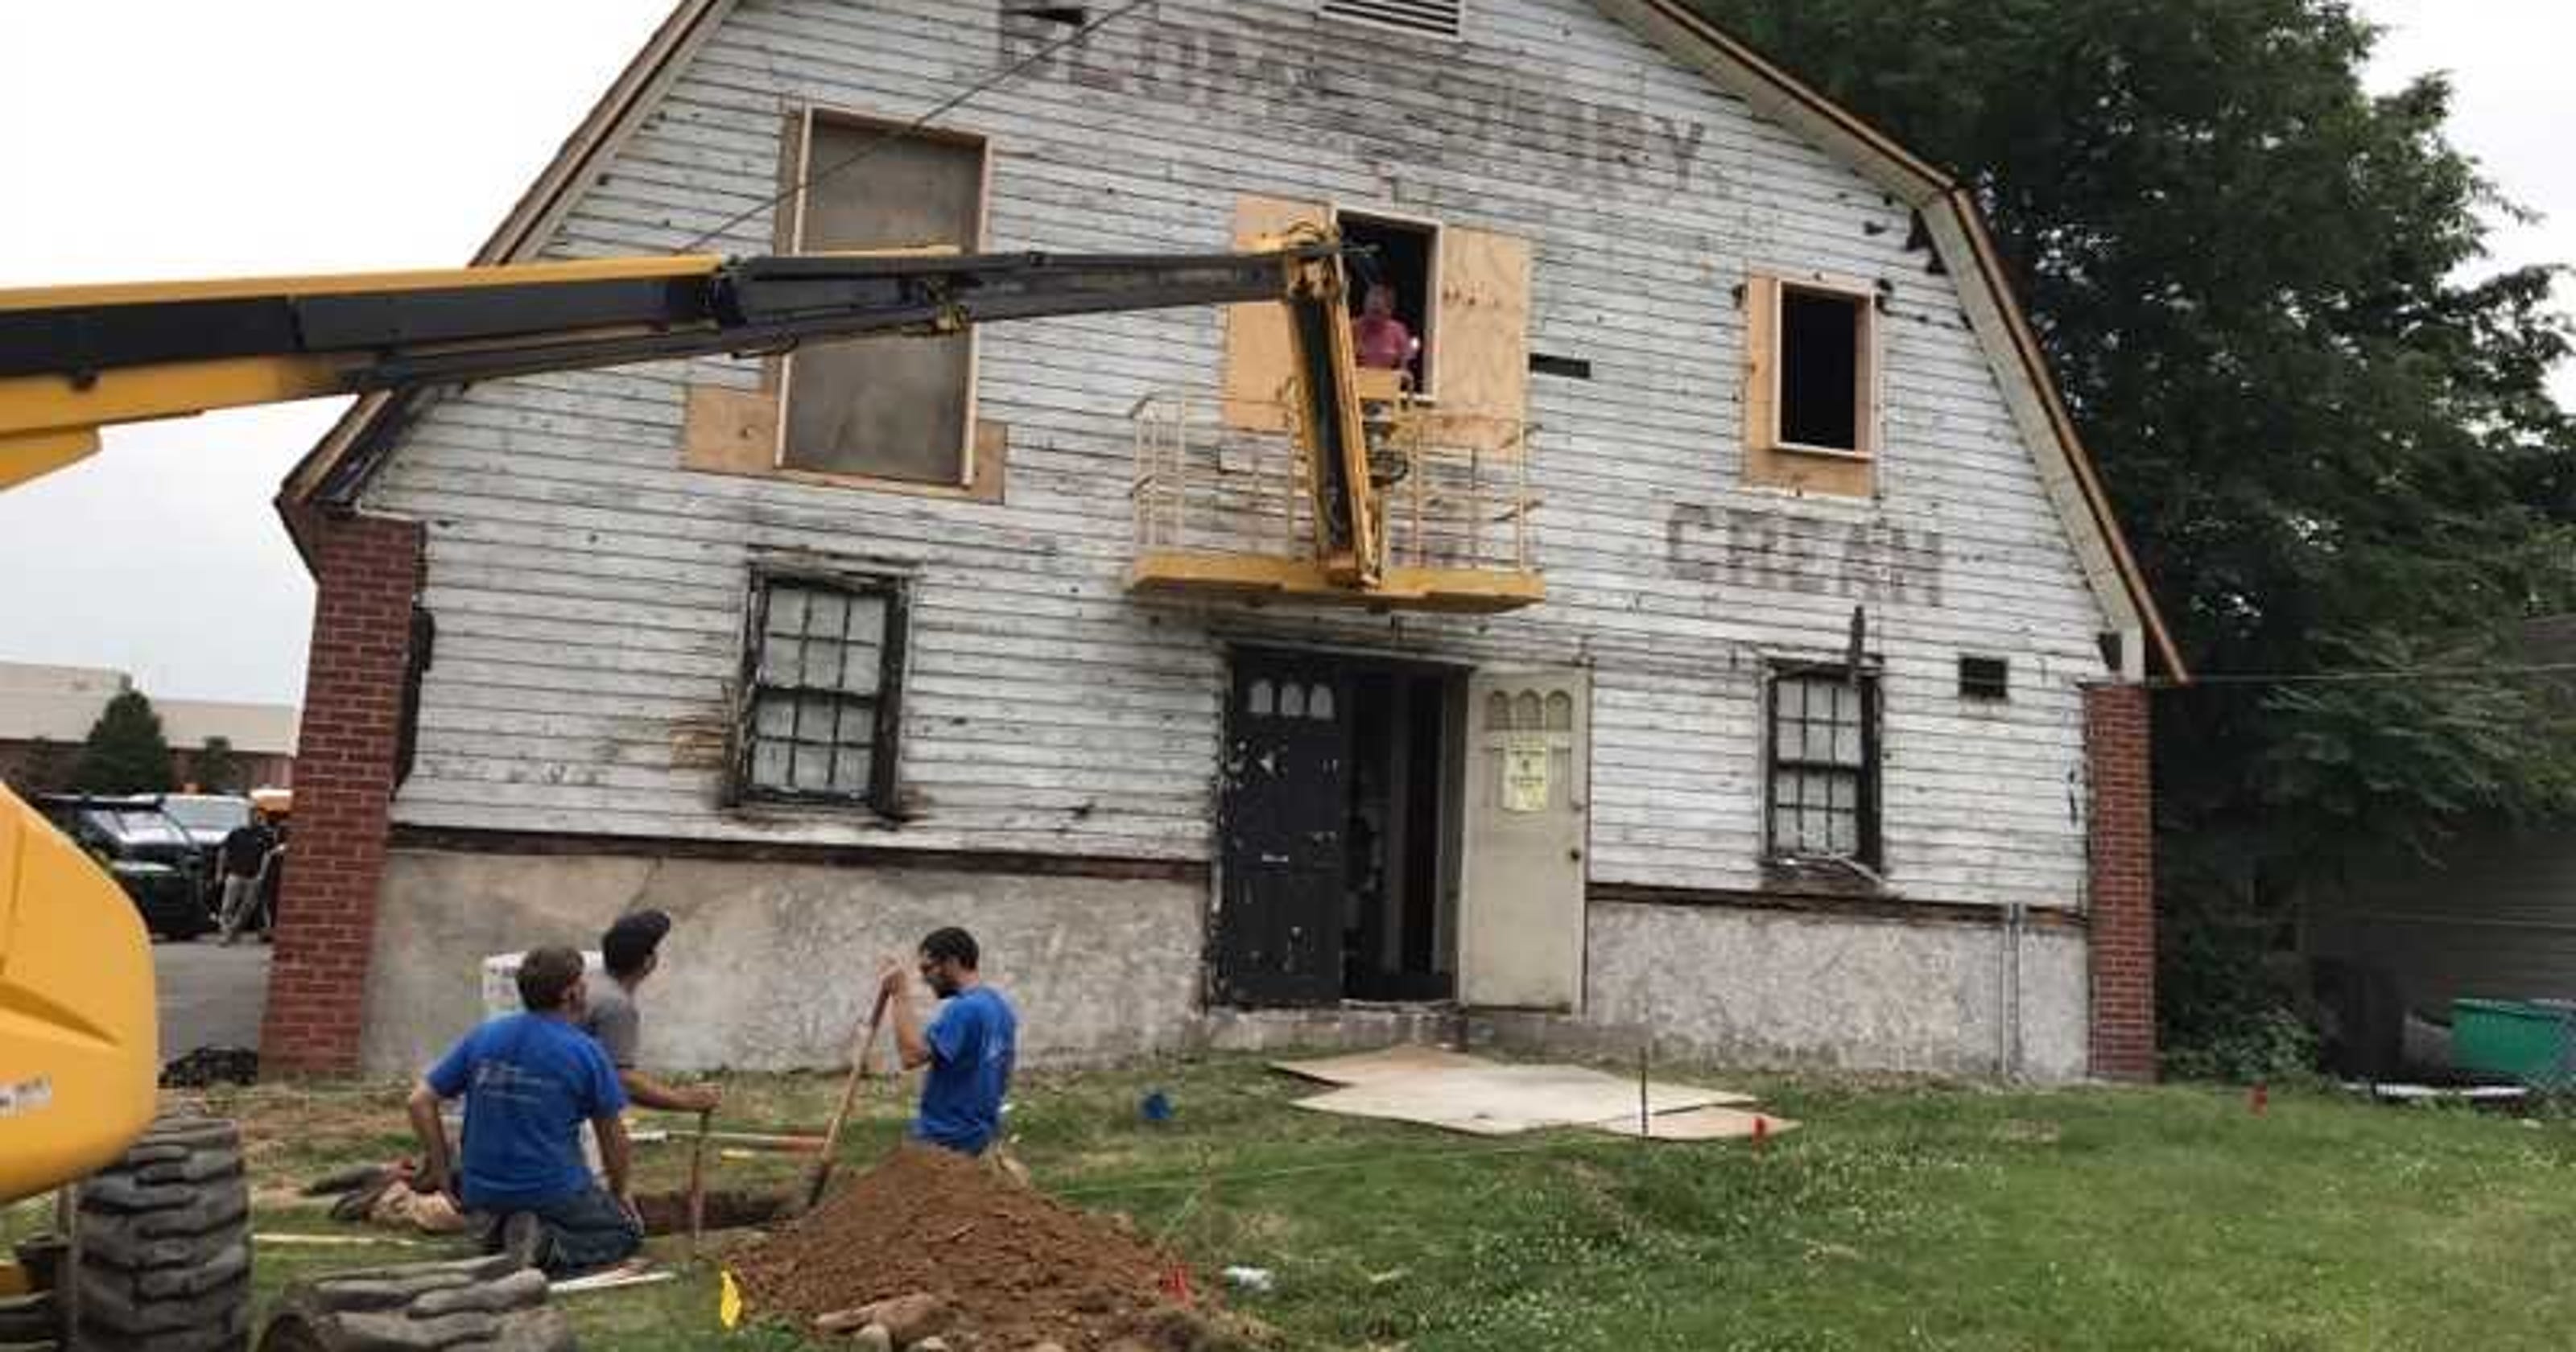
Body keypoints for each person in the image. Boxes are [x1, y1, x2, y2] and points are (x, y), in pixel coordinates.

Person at [407, 946, 641, 1276]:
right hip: (551, 1191)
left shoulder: (485, 1035)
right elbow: (612, 1135)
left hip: (481, 1190)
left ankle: (500, 1231)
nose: (586, 988)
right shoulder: (585, 1051)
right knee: (624, 1233)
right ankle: (544, 1243)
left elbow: (419, 1101)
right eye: (582, 982)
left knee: (508, 1212)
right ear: (570, 993)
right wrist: (619, 1194)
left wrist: (443, 1173)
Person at [876, 927, 1018, 1157]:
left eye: (928, 969)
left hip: (943, 1139)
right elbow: (1006, 1072)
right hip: (981, 1138)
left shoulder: (963, 1010)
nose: (924, 979)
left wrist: (900, 994)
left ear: (952, 963)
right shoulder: (1000, 1008)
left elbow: (911, 1056)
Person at [582, 909, 721, 1115]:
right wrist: (687, 1100)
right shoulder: (616, 1005)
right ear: (648, 962)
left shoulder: (591, 980)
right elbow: (622, 1081)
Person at [213, 810, 276, 946]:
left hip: (253, 877)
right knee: (227, 907)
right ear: (249, 817)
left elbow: (267, 856)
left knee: (247, 908)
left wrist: (261, 874)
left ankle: (233, 931)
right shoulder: (237, 833)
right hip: (235, 874)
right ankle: (226, 935)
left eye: (260, 817)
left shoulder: (266, 835)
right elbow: (223, 851)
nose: (257, 819)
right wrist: (219, 872)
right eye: (255, 816)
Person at [1352, 282, 1418, 380]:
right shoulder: (1353, 327)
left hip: (1386, 383)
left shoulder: (1398, 331)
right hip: (1357, 382)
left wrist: (1403, 373)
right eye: (1370, 309)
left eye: (1378, 312)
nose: (1373, 317)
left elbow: (1404, 367)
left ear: (1390, 310)